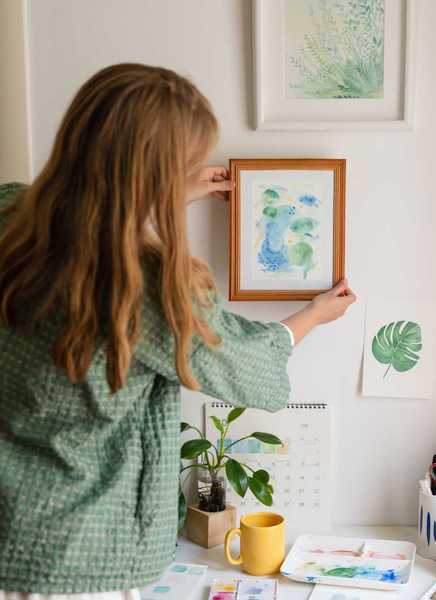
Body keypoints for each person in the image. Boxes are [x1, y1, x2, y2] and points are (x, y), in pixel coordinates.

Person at [0, 64, 355, 600]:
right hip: (75, 566)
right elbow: (249, 371)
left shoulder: (11, 214)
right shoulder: (138, 287)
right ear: (152, 178)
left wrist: (171, 192)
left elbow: (101, 207)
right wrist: (311, 315)